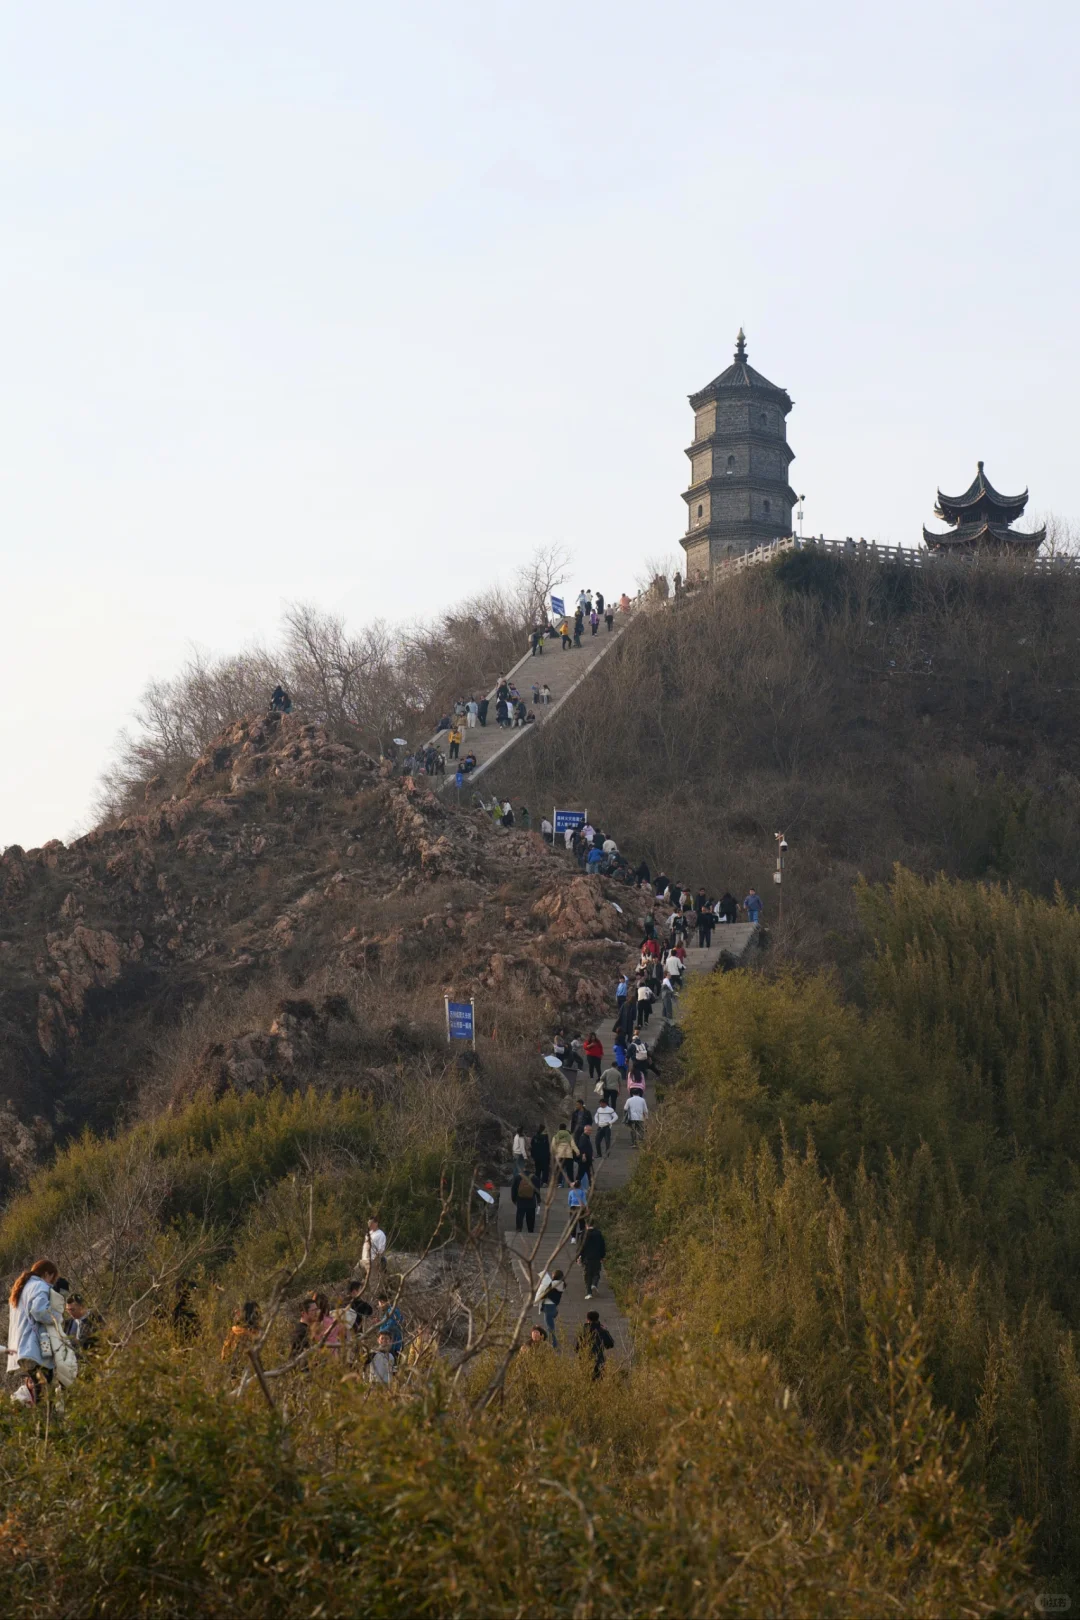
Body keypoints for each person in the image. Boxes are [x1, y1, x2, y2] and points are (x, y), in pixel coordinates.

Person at [6, 1260, 59, 1399]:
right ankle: (47, 1412)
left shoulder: (21, 1288)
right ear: (47, 1274)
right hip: (34, 1346)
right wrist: (57, 1317)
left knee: (38, 1386)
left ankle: (42, 1412)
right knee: (46, 1385)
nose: (52, 1283)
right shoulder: (40, 1286)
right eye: (52, 1278)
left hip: (21, 1347)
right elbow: (39, 1311)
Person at [577, 1311, 615, 1378]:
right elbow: (610, 1344)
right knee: (598, 1380)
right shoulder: (602, 1331)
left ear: (587, 1319)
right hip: (598, 1362)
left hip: (584, 1361)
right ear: (598, 1319)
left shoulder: (582, 1331)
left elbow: (577, 1348)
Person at [535, 1269, 566, 1347]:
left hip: (548, 1307)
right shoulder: (562, 1284)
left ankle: (553, 1344)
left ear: (555, 1276)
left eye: (552, 1275)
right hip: (553, 1307)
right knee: (550, 1326)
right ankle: (552, 1342)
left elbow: (545, 1291)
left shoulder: (553, 1283)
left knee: (550, 1327)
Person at [579, 1220, 607, 1298]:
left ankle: (589, 1293)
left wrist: (579, 1256)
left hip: (587, 1257)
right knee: (596, 1272)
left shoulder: (584, 1234)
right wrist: (602, 1256)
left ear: (586, 1224)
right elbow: (602, 1246)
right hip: (597, 1256)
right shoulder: (598, 1234)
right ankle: (594, 1284)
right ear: (593, 1224)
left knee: (588, 1275)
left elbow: (581, 1247)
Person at [510, 1165, 540, 1234]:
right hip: (531, 1201)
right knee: (530, 1217)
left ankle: (519, 1229)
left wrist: (514, 1199)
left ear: (524, 1168)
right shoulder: (534, 1178)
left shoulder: (518, 1177)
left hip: (520, 1201)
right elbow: (537, 1191)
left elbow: (513, 1189)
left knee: (520, 1216)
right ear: (531, 1169)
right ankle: (530, 1231)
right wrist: (538, 1200)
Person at [375, 1293, 404, 1360]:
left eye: (379, 1303)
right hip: (394, 1345)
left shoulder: (392, 1311)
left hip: (393, 1346)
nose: (379, 1305)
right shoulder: (392, 1311)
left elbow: (390, 1326)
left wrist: (380, 1330)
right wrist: (380, 1323)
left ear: (382, 1302)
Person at [362, 1217, 387, 1287]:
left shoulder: (381, 1235)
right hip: (364, 1259)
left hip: (372, 1260)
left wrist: (375, 1260)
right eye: (369, 1223)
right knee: (359, 1275)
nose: (370, 1225)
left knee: (372, 1280)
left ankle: (375, 1293)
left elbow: (381, 1250)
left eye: (371, 1223)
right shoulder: (369, 1233)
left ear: (376, 1223)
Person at [567, 1179, 588, 1244]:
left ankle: (573, 1238)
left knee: (573, 1222)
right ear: (580, 1186)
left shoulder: (571, 1192)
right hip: (580, 1207)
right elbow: (584, 1200)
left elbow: (569, 1201)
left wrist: (570, 1205)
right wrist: (587, 1208)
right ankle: (582, 1235)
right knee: (581, 1221)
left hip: (573, 1207)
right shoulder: (582, 1192)